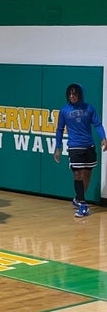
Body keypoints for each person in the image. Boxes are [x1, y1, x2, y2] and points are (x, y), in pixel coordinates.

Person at [54, 83, 107, 218]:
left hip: (89, 146)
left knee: (87, 174)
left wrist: (103, 138)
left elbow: (97, 124)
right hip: (75, 147)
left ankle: (78, 198)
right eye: (70, 94)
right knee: (78, 174)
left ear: (80, 94)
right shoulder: (64, 110)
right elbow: (59, 129)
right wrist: (58, 147)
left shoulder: (89, 108)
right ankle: (83, 205)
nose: (72, 96)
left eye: (74, 94)